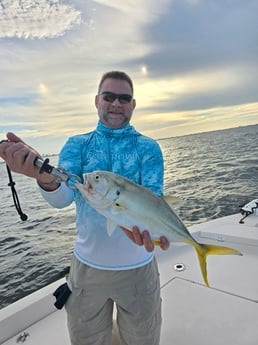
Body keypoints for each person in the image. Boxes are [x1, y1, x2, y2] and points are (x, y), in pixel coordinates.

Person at [0, 71, 169, 345]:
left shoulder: (149, 148)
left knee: (143, 340)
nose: (116, 103)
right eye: (109, 96)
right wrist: (43, 176)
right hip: (87, 270)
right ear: (96, 101)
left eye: (124, 98)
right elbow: (62, 198)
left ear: (133, 105)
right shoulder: (77, 145)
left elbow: (153, 202)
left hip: (139, 269)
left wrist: (158, 233)